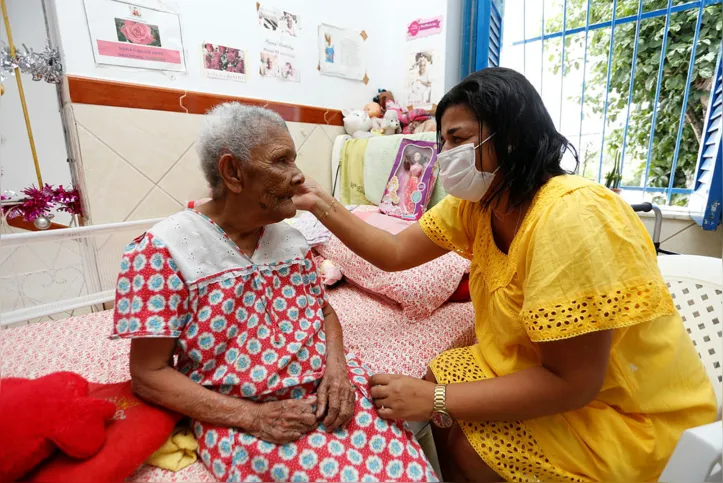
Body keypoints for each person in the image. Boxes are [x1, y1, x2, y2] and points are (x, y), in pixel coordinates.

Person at [292, 68, 718, 482]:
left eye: (457, 139)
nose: (443, 156)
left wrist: (434, 400)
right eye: (442, 141)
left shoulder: (570, 216)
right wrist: (319, 202)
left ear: (511, 139)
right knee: (440, 377)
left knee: (462, 441)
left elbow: (574, 382)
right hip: (540, 372)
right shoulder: (478, 205)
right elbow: (393, 250)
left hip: (623, 415)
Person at [111, 103, 437, 482]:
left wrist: (338, 370)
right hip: (249, 415)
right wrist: (254, 418)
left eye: (294, 160)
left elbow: (324, 311)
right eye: (281, 161)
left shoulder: (291, 239)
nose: (299, 177)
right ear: (233, 173)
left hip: (332, 396)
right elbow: (148, 374)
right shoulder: (162, 251)